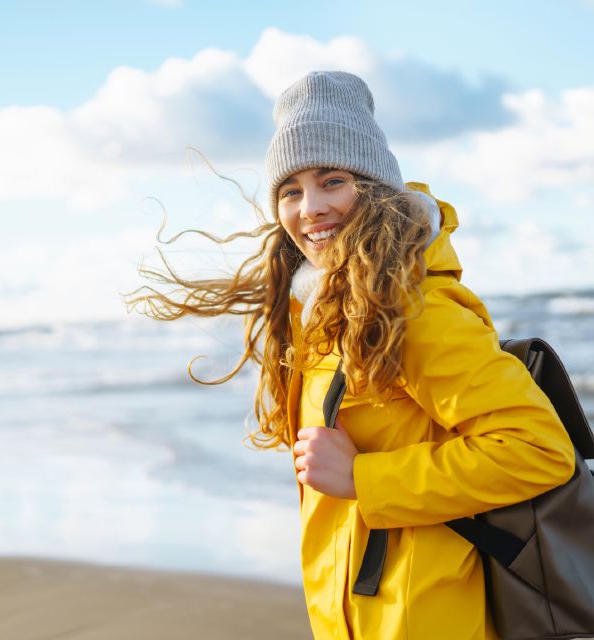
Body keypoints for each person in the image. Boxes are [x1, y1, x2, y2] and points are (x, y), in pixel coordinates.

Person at [128, 71, 575, 639]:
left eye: (332, 180)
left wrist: (366, 477)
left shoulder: (416, 312)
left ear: (377, 188)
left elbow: (539, 450)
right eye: (290, 191)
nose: (310, 207)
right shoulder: (323, 315)